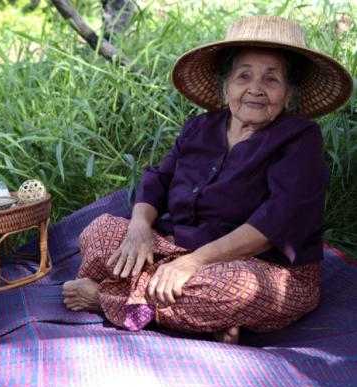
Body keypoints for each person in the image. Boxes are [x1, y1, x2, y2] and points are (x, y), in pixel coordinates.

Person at [62, 15, 353, 343]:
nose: (255, 89)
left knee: (236, 289)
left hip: (259, 268)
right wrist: (140, 229)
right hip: (177, 248)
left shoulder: (301, 139)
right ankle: (191, 314)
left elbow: (275, 222)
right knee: (101, 231)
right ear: (226, 84)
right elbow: (157, 180)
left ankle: (104, 299)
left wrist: (192, 264)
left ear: (288, 94)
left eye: (272, 80)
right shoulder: (200, 128)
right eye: (244, 76)